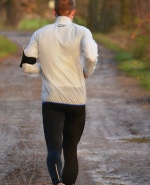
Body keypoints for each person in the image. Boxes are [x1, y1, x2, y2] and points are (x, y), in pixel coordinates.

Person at [20, 0, 98, 184]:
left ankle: (58, 182)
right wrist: (88, 70)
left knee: (54, 150)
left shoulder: (40, 33)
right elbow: (90, 56)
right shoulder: (82, 32)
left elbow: (26, 66)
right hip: (76, 100)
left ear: (54, 11)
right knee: (70, 150)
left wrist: (44, 69)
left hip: (51, 100)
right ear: (73, 12)